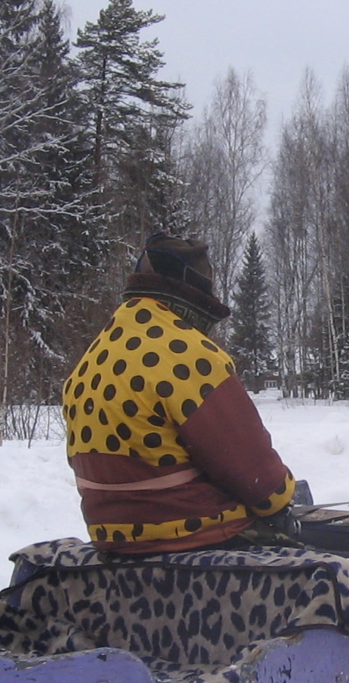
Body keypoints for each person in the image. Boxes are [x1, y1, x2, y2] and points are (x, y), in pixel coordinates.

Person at [62, 234, 297, 553]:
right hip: (190, 535)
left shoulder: (93, 356)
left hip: (111, 537)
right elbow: (253, 473)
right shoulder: (189, 356)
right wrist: (281, 505)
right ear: (193, 301)